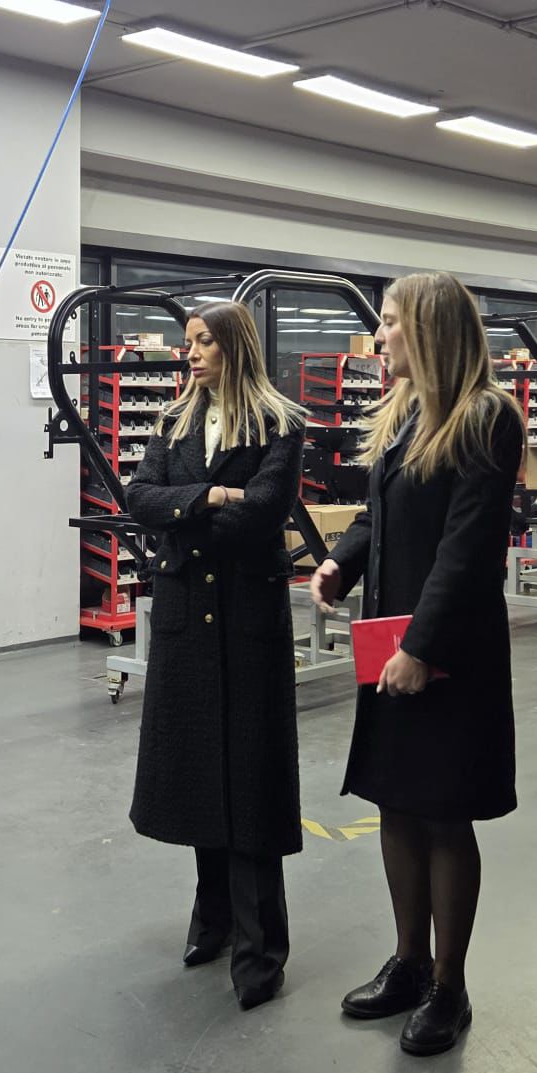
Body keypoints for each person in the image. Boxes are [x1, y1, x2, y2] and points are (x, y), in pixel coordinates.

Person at [311, 271, 524, 1056]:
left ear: (431, 329)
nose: (380, 336)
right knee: (396, 803)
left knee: (442, 811)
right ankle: (406, 963)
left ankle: (448, 986)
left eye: (392, 322)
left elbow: (467, 550)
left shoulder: (486, 417)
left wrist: (422, 647)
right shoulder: (406, 412)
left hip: (446, 651)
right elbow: (381, 512)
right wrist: (341, 561)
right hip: (390, 638)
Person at [125, 300, 307, 1011]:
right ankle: (213, 919)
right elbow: (140, 497)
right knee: (202, 769)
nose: (192, 353)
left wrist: (187, 512)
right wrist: (208, 496)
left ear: (235, 346)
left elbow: (263, 510)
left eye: (204, 342)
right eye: (188, 342)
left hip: (247, 618)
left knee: (252, 783)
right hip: (188, 622)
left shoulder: (278, 422)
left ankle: (262, 952)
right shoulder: (173, 420)